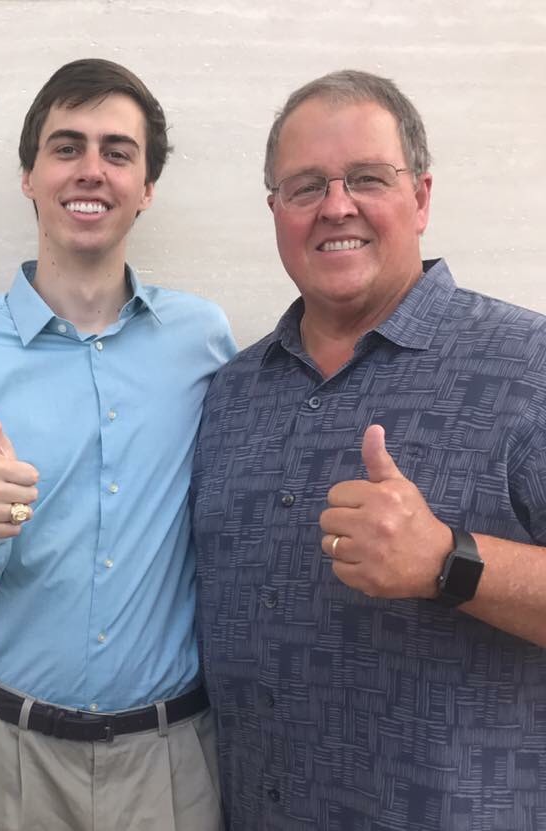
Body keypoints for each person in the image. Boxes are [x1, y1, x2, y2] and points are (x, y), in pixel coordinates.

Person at [192, 69, 546, 830]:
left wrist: (452, 561)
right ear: (275, 211)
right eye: (306, 186)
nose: (336, 205)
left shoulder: (530, 363)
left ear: (420, 196)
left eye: (367, 179)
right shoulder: (230, 392)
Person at [0, 58, 236, 830]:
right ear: (29, 174)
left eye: (118, 152)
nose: (92, 169)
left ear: (147, 186)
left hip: (174, 758)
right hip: (13, 757)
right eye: (67, 146)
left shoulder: (205, 341)